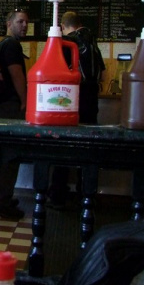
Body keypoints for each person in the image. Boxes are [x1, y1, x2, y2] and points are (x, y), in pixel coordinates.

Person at [48, 11, 105, 208]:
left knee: (63, 147)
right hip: (91, 101)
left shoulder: (65, 42)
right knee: (87, 148)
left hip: (70, 99)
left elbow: (57, 72)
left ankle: (57, 196)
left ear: (63, 26)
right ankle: (86, 195)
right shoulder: (93, 42)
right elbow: (102, 74)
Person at [0, 9, 29, 219]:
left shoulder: (1, 44)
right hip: (9, 108)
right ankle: (3, 203)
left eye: (26, 22)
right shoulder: (11, 45)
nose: (24, 25)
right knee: (10, 156)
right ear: (9, 23)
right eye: (20, 22)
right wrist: (25, 101)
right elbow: (16, 74)